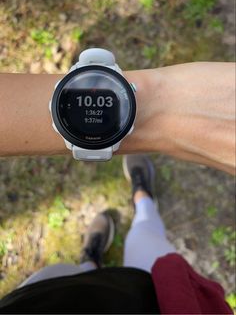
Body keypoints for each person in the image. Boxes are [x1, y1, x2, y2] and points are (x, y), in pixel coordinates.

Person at [0, 62, 235, 313]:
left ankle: (90, 262)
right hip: (158, 299)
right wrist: (164, 107)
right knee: (146, 238)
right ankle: (143, 201)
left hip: (43, 302)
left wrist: (164, 103)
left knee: (62, 275)